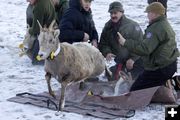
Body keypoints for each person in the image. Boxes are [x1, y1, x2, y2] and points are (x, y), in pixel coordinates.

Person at [118, 2, 179, 91]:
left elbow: (144, 49)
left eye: (148, 13)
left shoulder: (155, 28)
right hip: (170, 65)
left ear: (155, 13)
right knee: (145, 81)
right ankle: (165, 84)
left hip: (160, 69)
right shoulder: (164, 23)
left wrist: (125, 42)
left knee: (135, 89)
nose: (147, 15)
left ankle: (164, 88)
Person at [98, 1, 144, 80]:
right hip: (119, 62)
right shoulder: (107, 26)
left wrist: (133, 59)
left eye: (115, 13)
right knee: (111, 79)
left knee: (136, 81)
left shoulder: (133, 25)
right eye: (111, 13)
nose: (113, 15)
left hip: (136, 61)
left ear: (122, 12)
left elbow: (141, 45)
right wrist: (107, 52)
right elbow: (103, 44)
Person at [25, 0, 56, 65]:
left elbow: (36, 30)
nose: (27, 1)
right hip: (51, 37)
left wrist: (29, 30)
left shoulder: (39, 6)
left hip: (43, 38)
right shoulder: (47, 1)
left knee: (37, 63)